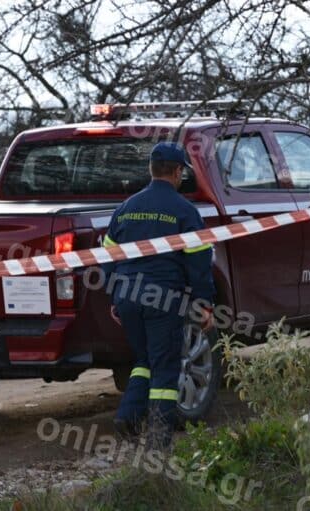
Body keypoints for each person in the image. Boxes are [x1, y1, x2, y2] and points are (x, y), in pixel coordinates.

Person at [102, 141, 215, 450]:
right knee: (165, 367)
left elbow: (107, 255)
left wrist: (116, 295)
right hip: (163, 300)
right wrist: (204, 305)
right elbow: (200, 262)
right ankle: (159, 441)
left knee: (145, 360)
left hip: (127, 296)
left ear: (150, 170)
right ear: (177, 172)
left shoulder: (126, 208)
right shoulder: (184, 210)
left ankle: (128, 417)